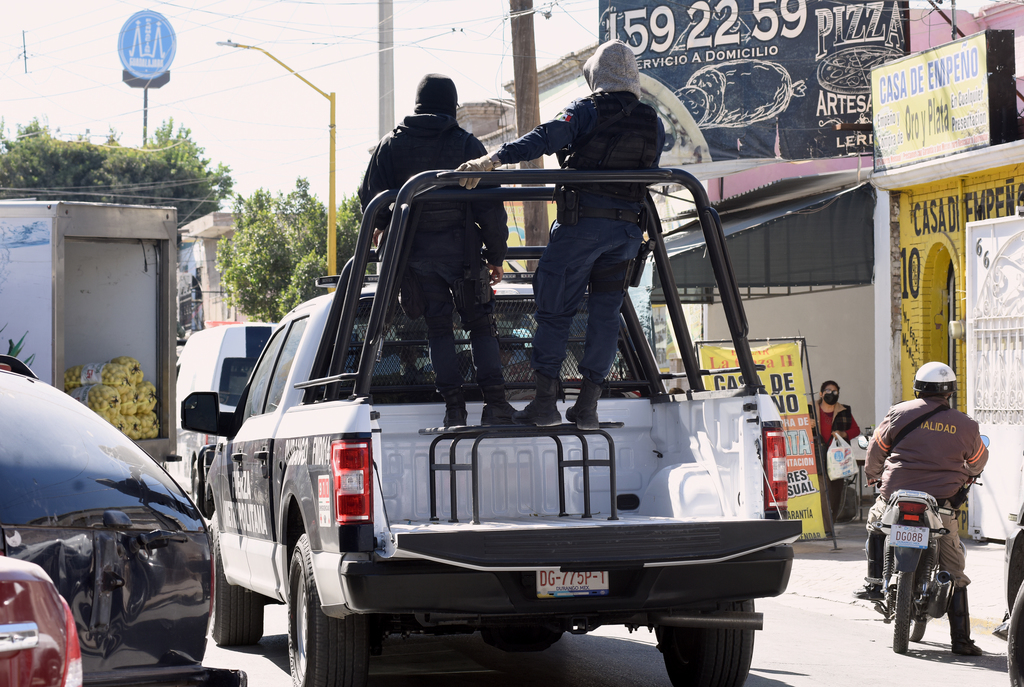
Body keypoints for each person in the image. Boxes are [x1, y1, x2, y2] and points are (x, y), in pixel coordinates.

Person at [456, 40, 664, 430]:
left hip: (581, 228)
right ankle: (587, 407)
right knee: (606, 315)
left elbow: (543, 137)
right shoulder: (654, 121)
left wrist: (492, 160)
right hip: (626, 233)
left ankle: (545, 404)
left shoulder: (586, 110)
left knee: (554, 311)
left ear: (597, 75)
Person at [359, 74, 515, 427]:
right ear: (451, 107)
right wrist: (496, 256)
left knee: (438, 328)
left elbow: (371, 198)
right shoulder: (466, 144)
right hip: (463, 253)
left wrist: (383, 224)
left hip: (414, 256)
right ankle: (495, 405)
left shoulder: (390, 146)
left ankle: (454, 410)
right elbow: (491, 205)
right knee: (480, 325)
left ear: (418, 106)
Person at [857, 361, 988, 656]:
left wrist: (872, 475)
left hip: (895, 496)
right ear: (950, 392)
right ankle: (961, 640)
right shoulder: (966, 425)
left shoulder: (898, 412)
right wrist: (967, 474)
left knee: (875, 523)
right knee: (954, 569)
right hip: (940, 504)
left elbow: (876, 449)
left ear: (917, 389)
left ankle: (875, 582)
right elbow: (978, 461)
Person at [816, 380, 860, 522]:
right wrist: (807, 425)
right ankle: (824, 524)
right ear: (821, 393)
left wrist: (843, 433)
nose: (832, 394)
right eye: (828, 391)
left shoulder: (844, 410)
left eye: (835, 391)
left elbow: (856, 430)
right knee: (822, 491)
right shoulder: (810, 409)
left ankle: (831, 522)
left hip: (838, 458)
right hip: (817, 455)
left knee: (835, 492)